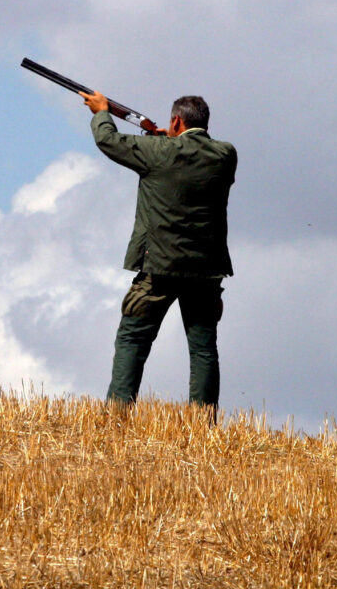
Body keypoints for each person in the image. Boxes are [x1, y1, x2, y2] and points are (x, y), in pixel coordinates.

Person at [81, 88, 237, 416]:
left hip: (159, 266)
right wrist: (169, 139)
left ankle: (117, 416)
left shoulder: (157, 152)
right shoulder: (225, 155)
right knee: (204, 349)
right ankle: (203, 423)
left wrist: (100, 112)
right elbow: (190, 154)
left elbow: (109, 141)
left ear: (176, 120)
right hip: (206, 270)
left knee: (132, 340)